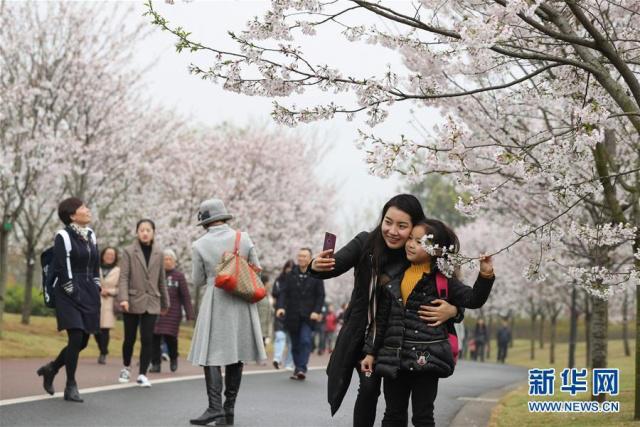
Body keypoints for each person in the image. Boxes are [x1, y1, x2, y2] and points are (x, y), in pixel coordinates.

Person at [310, 194, 464, 426]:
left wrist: (454, 311)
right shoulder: (365, 243)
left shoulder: (418, 255)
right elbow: (332, 266)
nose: (393, 231)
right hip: (364, 335)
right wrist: (316, 265)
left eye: (402, 226)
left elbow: (451, 292)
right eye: (388, 222)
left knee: (396, 405)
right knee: (370, 388)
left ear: (415, 228)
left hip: (398, 339)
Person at [361, 218, 495, 426]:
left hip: (427, 359)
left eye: (419, 241)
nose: (411, 244)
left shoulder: (443, 280)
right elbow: (382, 319)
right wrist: (370, 352)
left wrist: (485, 275)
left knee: (423, 416)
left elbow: (473, 300)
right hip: (394, 358)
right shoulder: (394, 277)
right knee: (392, 415)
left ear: (437, 250)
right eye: (411, 239)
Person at [188, 198, 266, 426]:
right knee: (236, 354)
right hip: (242, 300)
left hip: (216, 300)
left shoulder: (199, 245)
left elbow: (197, 280)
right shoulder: (244, 238)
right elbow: (257, 269)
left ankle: (214, 407)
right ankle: (228, 407)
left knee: (210, 354)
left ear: (205, 221)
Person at [37, 198, 100, 402]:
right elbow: (63, 267)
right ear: (72, 215)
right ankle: (70, 385)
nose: (87, 210)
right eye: (83, 208)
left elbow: (95, 264)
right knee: (75, 336)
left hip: (89, 290)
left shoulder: (91, 235)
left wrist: (97, 284)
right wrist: (72, 291)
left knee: (82, 342)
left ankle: (52, 368)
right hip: (68, 291)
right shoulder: (62, 236)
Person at [117, 219, 169, 387]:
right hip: (131, 300)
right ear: (137, 232)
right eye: (141, 230)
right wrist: (123, 298)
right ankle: (126, 367)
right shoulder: (129, 251)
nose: (145, 233)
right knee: (129, 338)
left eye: (148, 230)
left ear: (153, 232)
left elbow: (162, 279)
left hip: (152, 301)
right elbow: (124, 276)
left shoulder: (159, 253)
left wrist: (165, 303)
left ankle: (142, 374)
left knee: (148, 338)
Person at [275, 248, 325, 380]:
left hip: (309, 316)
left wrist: (316, 311)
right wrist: (280, 307)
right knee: (295, 343)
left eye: (304, 256)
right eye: (299, 256)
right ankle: (298, 368)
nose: (301, 258)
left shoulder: (316, 274)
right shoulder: (290, 274)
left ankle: (302, 367)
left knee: (305, 340)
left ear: (310, 258)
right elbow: (283, 293)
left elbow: (320, 295)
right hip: (292, 314)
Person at [149, 249, 195, 373]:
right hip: (157, 310)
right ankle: (155, 364)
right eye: (165, 259)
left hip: (173, 312)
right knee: (155, 337)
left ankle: (174, 357)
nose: (167, 262)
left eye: (170, 259)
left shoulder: (179, 276)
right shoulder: (156, 274)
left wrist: (190, 313)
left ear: (174, 261)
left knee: (171, 338)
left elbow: (185, 296)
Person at [94, 247, 120, 364]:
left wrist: (109, 291)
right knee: (95, 329)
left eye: (112, 255)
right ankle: (103, 349)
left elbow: (121, 288)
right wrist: (99, 289)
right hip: (95, 300)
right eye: (107, 254)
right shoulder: (95, 268)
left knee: (105, 329)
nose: (109, 256)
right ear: (103, 255)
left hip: (109, 301)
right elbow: (91, 281)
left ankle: (103, 353)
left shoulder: (118, 270)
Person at [271, 260, 294, 370]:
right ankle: (277, 358)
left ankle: (289, 363)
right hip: (280, 312)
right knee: (280, 337)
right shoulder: (278, 281)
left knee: (291, 340)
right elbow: (274, 294)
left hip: (293, 314)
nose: (289, 270)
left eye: (291, 268)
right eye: (287, 267)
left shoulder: (297, 281)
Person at [256, 273, 274, 349]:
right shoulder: (258, 294)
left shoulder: (266, 295)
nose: (270, 284)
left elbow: (270, 310)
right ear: (265, 283)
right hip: (258, 328)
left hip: (264, 328)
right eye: (269, 282)